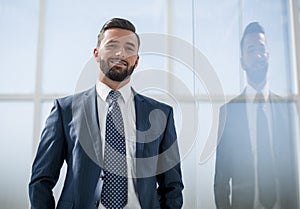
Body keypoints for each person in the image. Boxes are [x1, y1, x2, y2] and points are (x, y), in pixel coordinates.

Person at [29, 17, 184, 209]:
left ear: (136, 60)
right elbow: (41, 180)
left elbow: (172, 185)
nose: (120, 53)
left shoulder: (161, 113)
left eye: (129, 48)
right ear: (96, 53)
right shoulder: (65, 110)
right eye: (112, 45)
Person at [214, 22, 299, 209]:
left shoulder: (288, 110)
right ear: (242, 61)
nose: (258, 55)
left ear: (268, 55)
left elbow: (294, 171)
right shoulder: (229, 112)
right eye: (251, 50)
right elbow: (220, 181)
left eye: (262, 48)